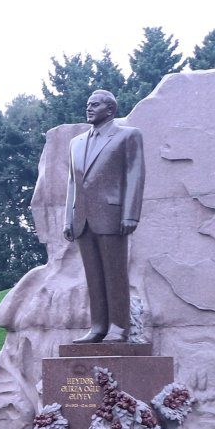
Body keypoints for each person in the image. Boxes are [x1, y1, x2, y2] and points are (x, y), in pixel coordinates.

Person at [64, 88, 145, 343]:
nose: (89, 108)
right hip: (83, 219)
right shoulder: (75, 143)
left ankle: (119, 327)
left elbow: (135, 175)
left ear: (110, 110)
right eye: (88, 104)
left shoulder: (128, 136)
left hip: (112, 216)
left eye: (95, 105)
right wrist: (68, 218)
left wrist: (130, 214)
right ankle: (98, 326)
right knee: (94, 276)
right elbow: (72, 183)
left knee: (115, 274)